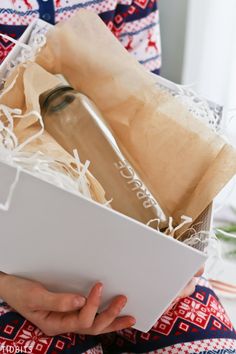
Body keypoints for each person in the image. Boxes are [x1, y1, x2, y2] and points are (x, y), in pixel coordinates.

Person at [0, 1, 236, 353]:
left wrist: (175, 263)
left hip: (128, 256)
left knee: (208, 345)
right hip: (10, 266)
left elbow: (146, 106)